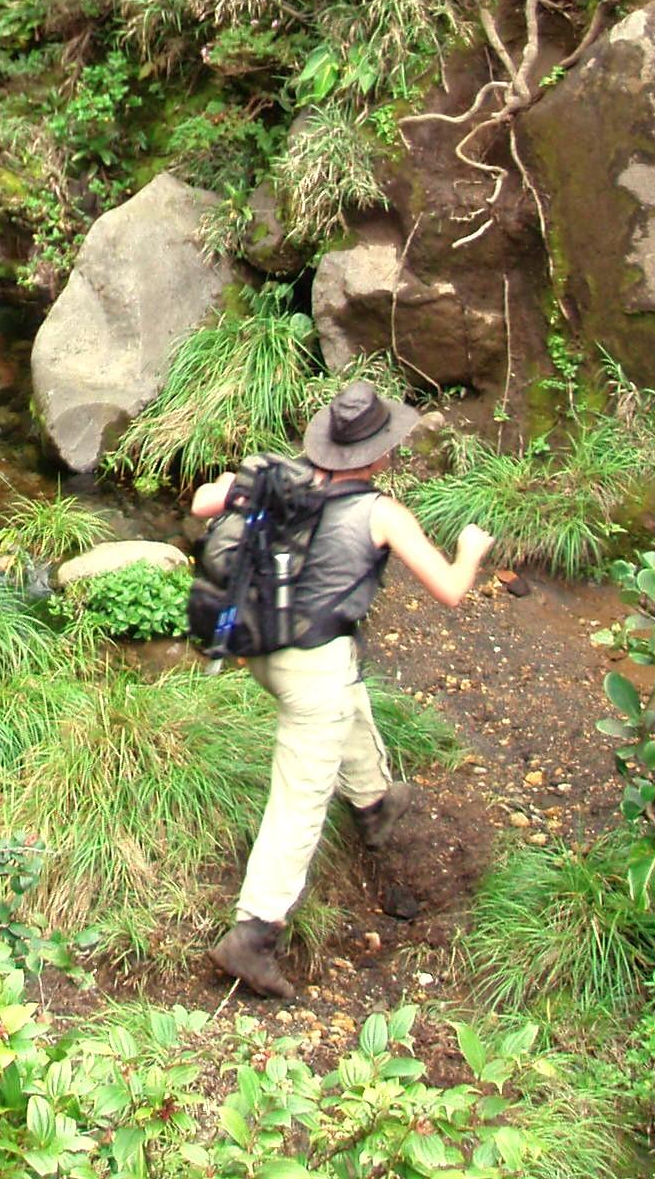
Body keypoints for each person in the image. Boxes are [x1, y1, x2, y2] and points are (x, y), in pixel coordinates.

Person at [188, 378, 492, 999]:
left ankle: (375, 801)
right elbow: (452, 590)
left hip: (261, 648)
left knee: (345, 696)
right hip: (313, 668)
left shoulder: (280, 479)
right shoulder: (381, 513)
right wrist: (471, 548)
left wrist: (239, 491)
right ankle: (253, 935)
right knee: (300, 800)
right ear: (378, 454)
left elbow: (201, 505)